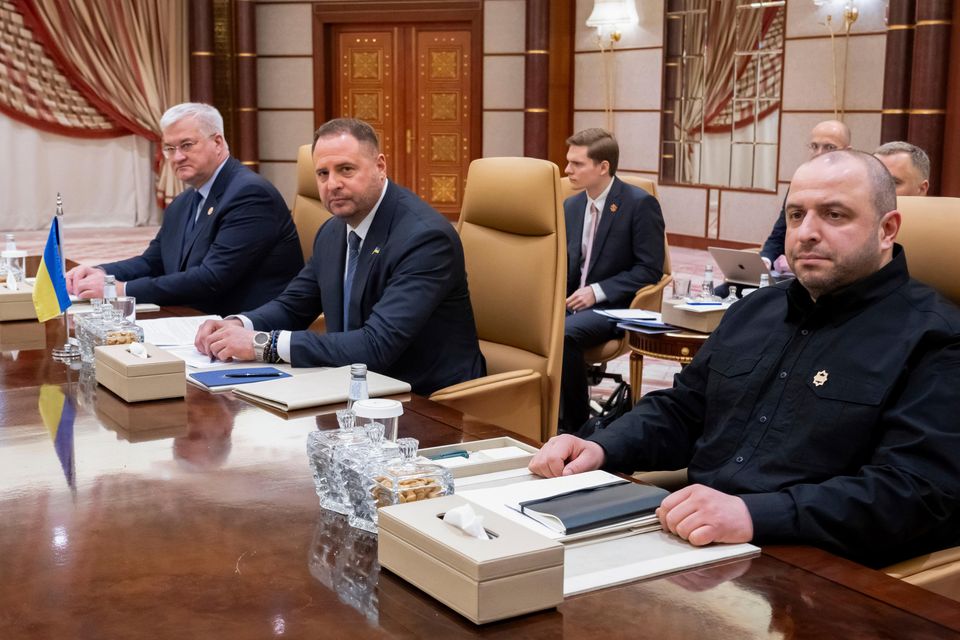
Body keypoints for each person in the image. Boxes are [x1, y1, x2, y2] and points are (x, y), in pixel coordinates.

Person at [530, 149, 960, 568]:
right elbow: (683, 411)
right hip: (698, 542)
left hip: (820, 565)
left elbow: (915, 491)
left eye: (834, 214)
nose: (806, 232)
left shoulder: (935, 337)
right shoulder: (756, 310)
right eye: (796, 215)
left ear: (887, 230)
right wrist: (600, 445)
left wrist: (753, 514)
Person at [194, 118, 486, 397]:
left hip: (424, 400)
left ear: (380, 166)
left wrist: (263, 344)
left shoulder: (424, 238)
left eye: (346, 169)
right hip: (350, 386)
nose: (332, 184)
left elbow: (375, 346)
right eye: (323, 173)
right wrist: (239, 324)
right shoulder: (333, 231)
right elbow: (294, 305)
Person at [66, 103, 303, 316]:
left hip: (245, 326)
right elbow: (152, 262)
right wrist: (100, 272)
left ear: (217, 143)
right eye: (169, 148)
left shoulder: (250, 195)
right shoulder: (184, 201)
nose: (177, 157)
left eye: (187, 145)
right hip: (194, 316)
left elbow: (212, 278)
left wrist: (118, 289)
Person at [559, 128, 665, 434]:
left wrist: (598, 291)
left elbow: (649, 270)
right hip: (572, 302)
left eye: (577, 164)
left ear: (603, 167)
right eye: (568, 162)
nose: (567, 171)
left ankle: (576, 426)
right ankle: (543, 412)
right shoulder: (572, 206)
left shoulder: (638, 204)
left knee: (563, 335)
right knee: (528, 324)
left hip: (615, 308)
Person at [760, 120, 852, 276]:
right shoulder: (799, 185)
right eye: (814, 146)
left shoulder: (855, 188)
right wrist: (766, 259)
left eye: (829, 147)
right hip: (790, 269)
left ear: (848, 152)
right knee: (728, 289)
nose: (819, 153)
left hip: (830, 274)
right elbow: (780, 232)